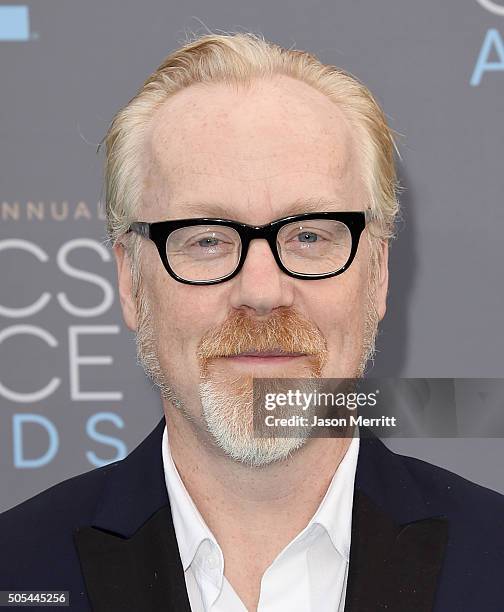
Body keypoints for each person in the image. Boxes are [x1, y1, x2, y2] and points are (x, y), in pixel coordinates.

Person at [1, 31, 503, 612]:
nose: (263, 292)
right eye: (208, 240)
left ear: (380, 273)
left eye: (309, 235)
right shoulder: (16, 568)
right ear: (130, 282)